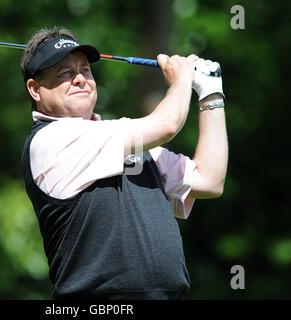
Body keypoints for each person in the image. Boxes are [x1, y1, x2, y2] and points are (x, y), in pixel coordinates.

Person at [20, 26, 228, 299]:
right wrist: (182, 79)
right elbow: (167, 124)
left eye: (85, 70)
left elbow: (210, 181)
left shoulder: (127, 145)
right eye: (65, 73)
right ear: (35, 90)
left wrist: (211, 94)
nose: (80, 79)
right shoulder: (50, 141)